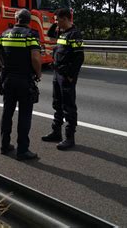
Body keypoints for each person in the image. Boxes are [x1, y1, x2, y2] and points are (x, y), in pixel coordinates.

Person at [0, 9, 42, 161]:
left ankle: (5, 146)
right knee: (24, 116)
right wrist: (38, 74)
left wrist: (0, 68)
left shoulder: (5, 33)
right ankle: (22, 151)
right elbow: (36, 58)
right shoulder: (31, 35)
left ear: (16, 19)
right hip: (25, 80)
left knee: (7, 113)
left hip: (8, 80)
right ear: (29, 21)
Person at [42, 8, 84, 150]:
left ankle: (69, 138)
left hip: (66, 76)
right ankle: (56, 132)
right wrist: (55, 23)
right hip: (57, 73)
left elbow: (79, 58)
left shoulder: (74, 34)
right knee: (57, 103)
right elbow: (49, 35)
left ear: (66, 19)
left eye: (58, 20)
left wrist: (71, 75)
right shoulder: (61, 32)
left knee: (68, 106)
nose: (56, 23)